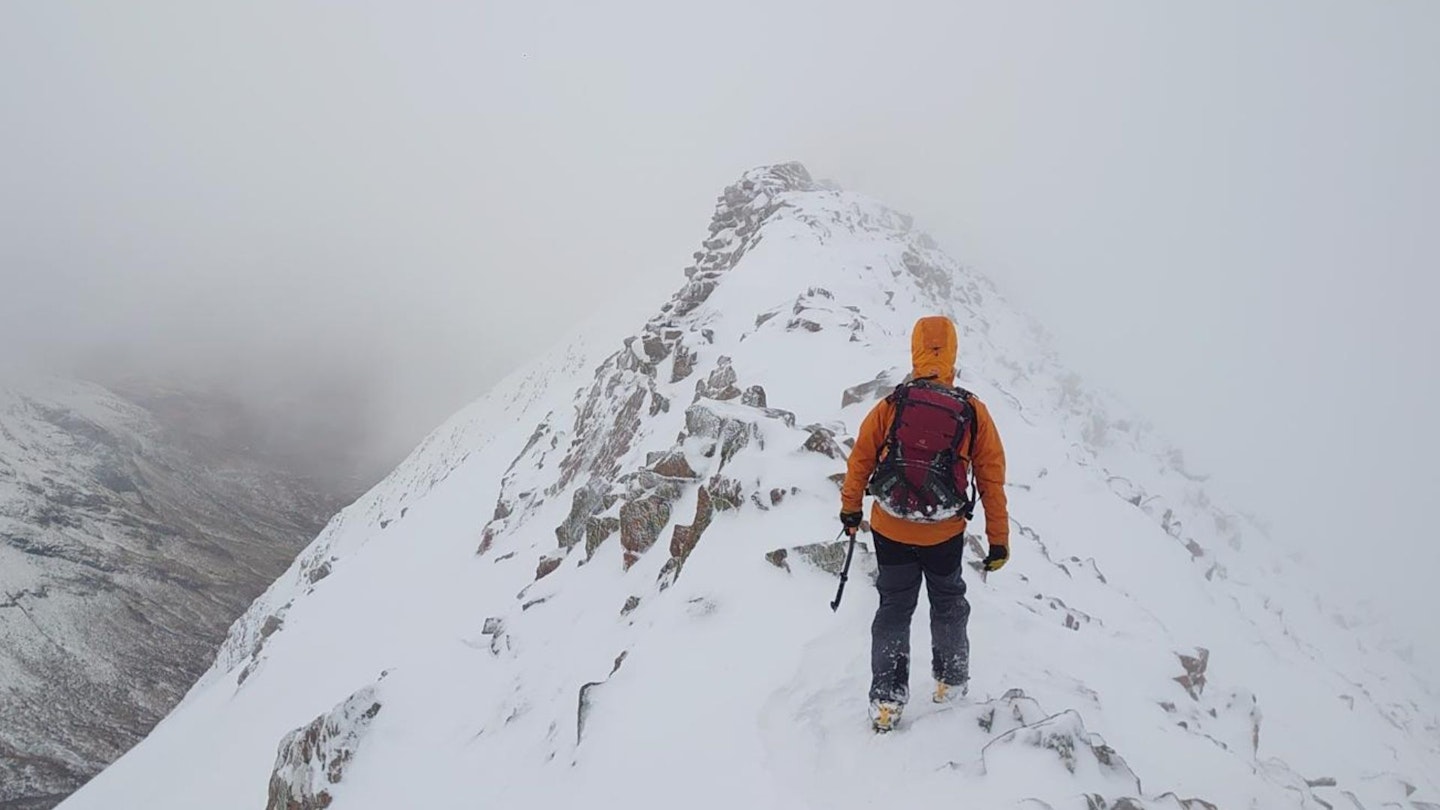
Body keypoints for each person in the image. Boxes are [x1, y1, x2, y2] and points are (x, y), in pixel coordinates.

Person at [840, 315, 1010, 732]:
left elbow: (861, 457)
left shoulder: (893, 404)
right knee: (948, 602)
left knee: (894, 607)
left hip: (890, 528)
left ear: (915, 350)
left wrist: (851, 510)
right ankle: (950, 681)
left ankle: (886, 701)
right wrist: (998, 539)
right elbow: (990, 476)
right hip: (944, 532)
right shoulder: (972, 410)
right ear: (952, 352)